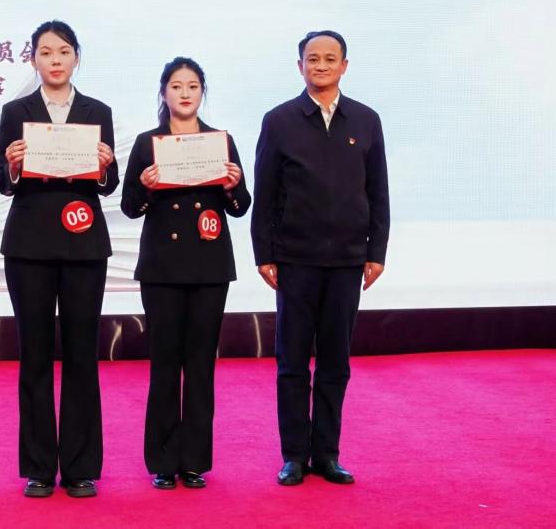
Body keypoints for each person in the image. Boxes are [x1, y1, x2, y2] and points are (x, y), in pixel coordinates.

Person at [250, 30, 390, 486]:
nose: (322, 66)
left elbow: (378, 191)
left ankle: (327, 454)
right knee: (292, 362)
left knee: (335, 363)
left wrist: (376, 251)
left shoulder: (366, 120)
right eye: (313, 59)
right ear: (300, 67)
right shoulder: (279, 120)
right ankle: (294, 456)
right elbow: (265, 193)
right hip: (296, 260)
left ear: (344, 66)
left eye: (331, 59)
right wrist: (264, 253)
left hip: (348, 260)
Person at [0, 20, 118, 498]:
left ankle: (81, 467)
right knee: (36, 354)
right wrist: (13, 166)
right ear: (34, 60)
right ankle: (40, 468)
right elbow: (1, 181)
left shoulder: (97, 111)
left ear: (76, 57)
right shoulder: (16, 111)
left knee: (83, 353)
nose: (55, 60)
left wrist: (104, 167)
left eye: (63, 51)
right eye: (46, 52)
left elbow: (109, 184)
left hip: (84, 243)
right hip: (29, 245)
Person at [121, 57, 250, 490]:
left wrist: (232, 187)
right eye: (176, 86)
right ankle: (163, 460)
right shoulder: (148, 143)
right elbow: (130, 206)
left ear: (202, 92)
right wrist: (147, 187)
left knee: (200, 365)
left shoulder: (220, 141)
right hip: (162, 267)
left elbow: (241, 206)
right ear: (164, 92)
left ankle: (194, 460)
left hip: (209, 266)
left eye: (192, 86)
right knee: (164, 364)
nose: (184, 93)